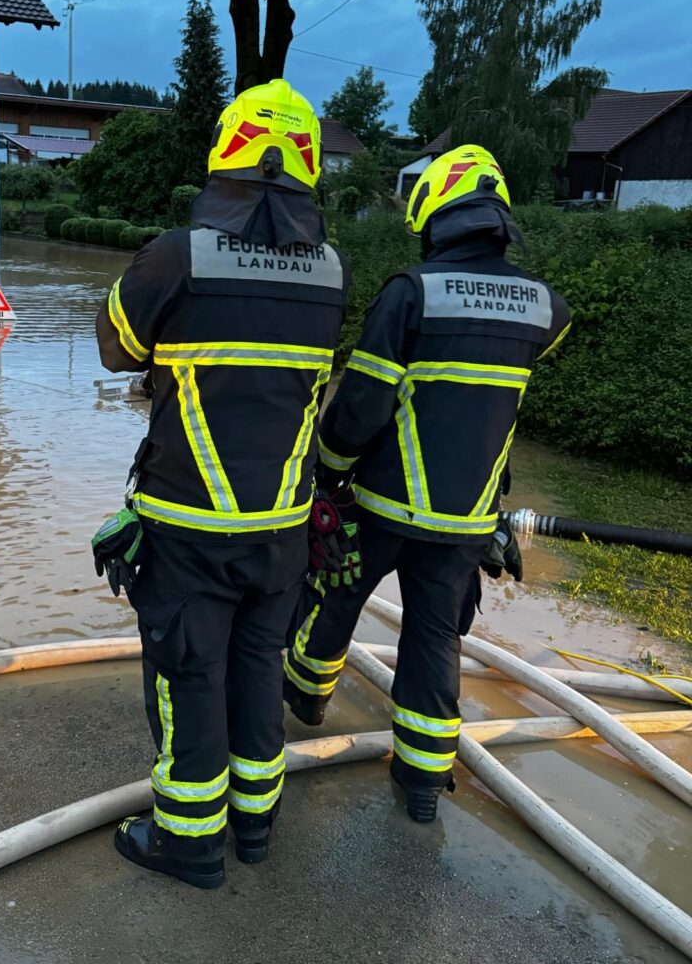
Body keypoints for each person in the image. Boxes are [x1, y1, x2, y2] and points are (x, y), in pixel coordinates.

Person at [92, 79, 353, 888]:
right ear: (308, 167)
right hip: (282, 529)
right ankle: (255, 825)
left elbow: (114, 348)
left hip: (188, 524)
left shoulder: (176, 255)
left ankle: (189, 843)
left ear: (225, 157)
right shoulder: (332, 271)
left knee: (190, 675)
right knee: (257, 666)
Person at [284, 145, 571, 823]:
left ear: (436, 214)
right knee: (436, 638)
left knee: (335, 598)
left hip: (382, 503)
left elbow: (361, 404)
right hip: (466, 518)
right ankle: (420, 784)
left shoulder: (412, 294)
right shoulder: (544, 308)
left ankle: (306, 701)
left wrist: (330, 471)